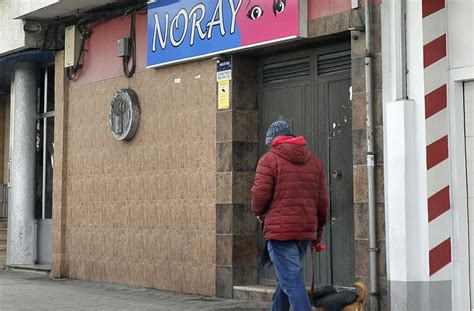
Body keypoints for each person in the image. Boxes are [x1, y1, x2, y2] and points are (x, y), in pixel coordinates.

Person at [251, 120, 328, 311]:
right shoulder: (315, 163)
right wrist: (317, 234)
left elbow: (259, 196)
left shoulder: (269, 160)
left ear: (273, 141)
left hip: (280, 233)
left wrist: (259, 213)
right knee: (286, 278)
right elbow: (322, 204)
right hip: (304, 232)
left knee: (291, 280)